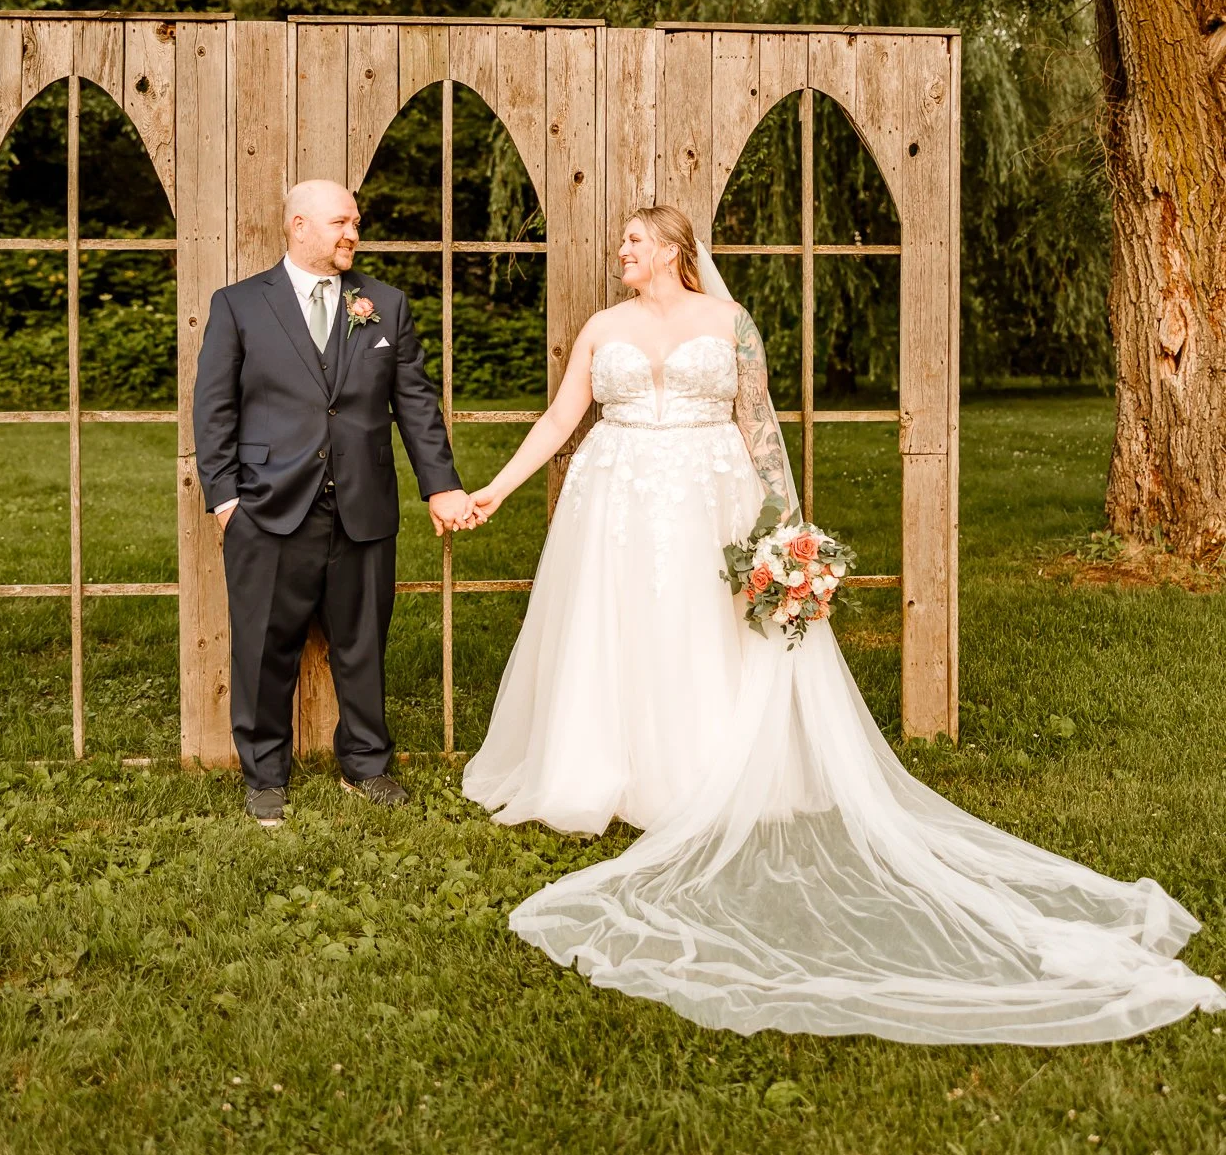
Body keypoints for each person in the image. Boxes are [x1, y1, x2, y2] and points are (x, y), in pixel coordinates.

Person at [461, 205, 1226, 1046]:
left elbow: (758, 427)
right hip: (615, 496)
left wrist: (786, 528)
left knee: (704, 630)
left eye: (634, 242)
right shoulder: (601, 326)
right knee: (614, 629)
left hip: (709, 495)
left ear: (675, 252)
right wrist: (497, 487)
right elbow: (560, 419)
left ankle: (701, 769)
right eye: (622, 243)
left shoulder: (730, 322)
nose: (621, 252)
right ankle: (601, 764)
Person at [193, 179, 474, 827]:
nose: (353, 234)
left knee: (363, 643)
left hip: (362, 506)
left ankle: (367, 763)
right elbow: (214, 408)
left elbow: (416, 407)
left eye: (355, 223)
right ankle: (264, 775)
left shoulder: (385, 305)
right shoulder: (238, 305)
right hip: (266, 508)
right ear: (297, 225)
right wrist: (226, 499)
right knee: (264, 646)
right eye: (341, 222)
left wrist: (440, 484)